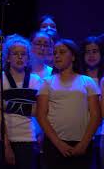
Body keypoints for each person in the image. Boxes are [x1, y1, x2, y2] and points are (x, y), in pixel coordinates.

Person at [37, 39, 101, 168]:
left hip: (83, 143)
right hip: (55, 145)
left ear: (73, 57)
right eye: (55, 53)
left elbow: (96, 115)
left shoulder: (87, 81)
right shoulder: (47, 82)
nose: (57, 55)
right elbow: (41, 115)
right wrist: (59, 144)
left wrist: (84, 144)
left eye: (62, 52)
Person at [0, 35, 41, 169]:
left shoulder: (35, 80)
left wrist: (7, 105)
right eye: (15, 54)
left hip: (28, 138)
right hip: (4, 138)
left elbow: (37, 111)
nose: (20, 57)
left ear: (28, 58)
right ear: (7, 58)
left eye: (23, 54)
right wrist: (6, 144)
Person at [80, 36, 104, 169]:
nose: (91, 55)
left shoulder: (103, 79)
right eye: (87, 52)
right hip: (81, 133)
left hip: (101, 134)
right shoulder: (78, 78)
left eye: (95, 51)